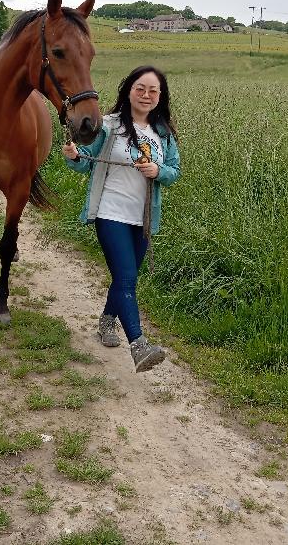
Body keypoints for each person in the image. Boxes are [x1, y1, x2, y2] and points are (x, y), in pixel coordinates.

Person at [62, 65, 180, 373]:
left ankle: (106, 322)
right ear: (128, 90)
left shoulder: (163, 133)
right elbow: (85, 164)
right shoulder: (110, 125)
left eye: (153, 90)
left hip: (142, 219)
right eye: (140, 88)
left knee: (126, 277)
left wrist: (158, 171)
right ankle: (139, 345)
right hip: (110, 212)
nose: (146, 95)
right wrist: (74, 155)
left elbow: (174, 173)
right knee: (127, 277)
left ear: (160, 96)